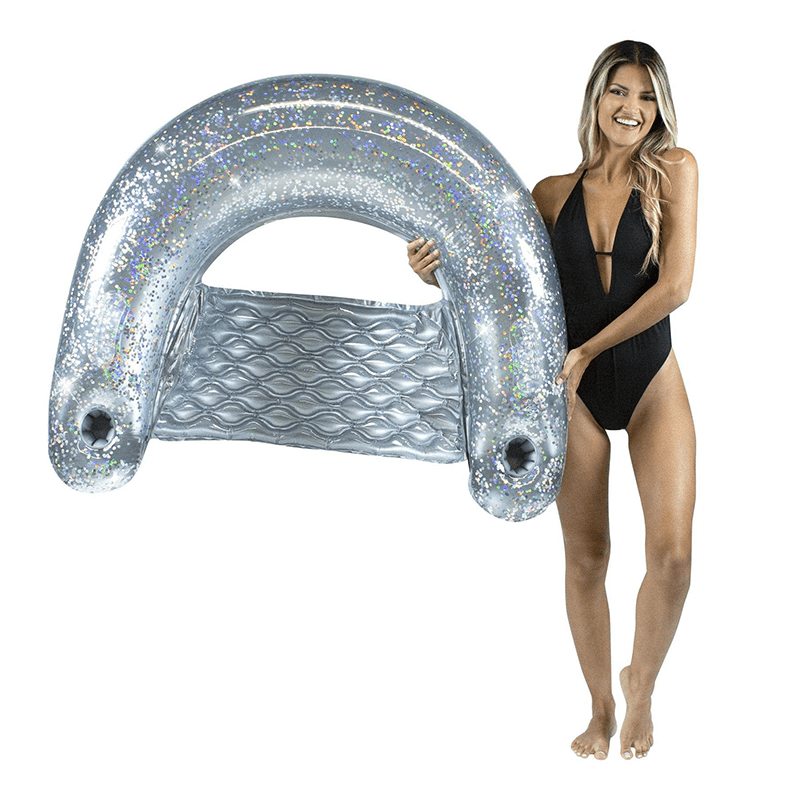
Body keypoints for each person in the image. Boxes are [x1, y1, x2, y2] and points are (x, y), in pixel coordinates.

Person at [407, 40, 697, 761]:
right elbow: (502, 289)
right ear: (596, 99)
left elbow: (675, 287)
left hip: (649, 377)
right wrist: (435, 272)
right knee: (587, 557)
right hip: (573, 393)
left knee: (672, 558)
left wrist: (589, 351)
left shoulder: (675, 172)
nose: (632, 108)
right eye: (619, 91)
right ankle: (600, 706)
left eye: (647, 96)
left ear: (659, 108)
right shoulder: (550, 195)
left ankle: (641, 686)